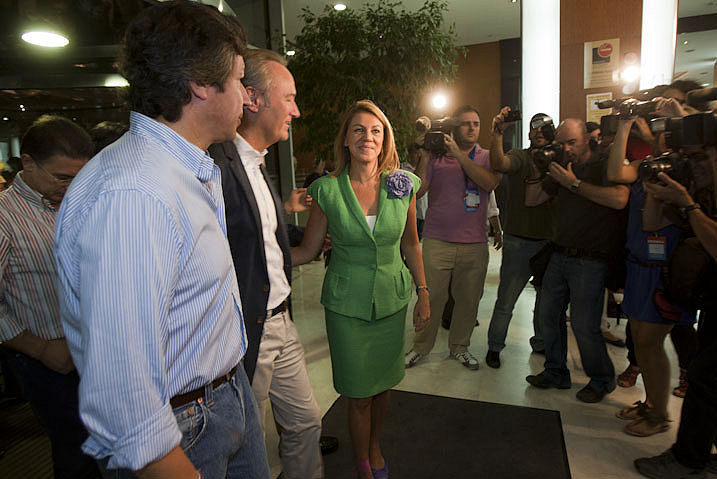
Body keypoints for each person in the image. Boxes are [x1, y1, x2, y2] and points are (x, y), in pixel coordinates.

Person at [53, 2, 270, 477]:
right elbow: (120, 383)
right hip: (184, 430)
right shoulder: (135, 193)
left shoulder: (184, 170)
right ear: (199, 84)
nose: (247, 98)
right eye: (237, 80)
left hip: (223, 398)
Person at [291, 100, 430, 479]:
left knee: (383, 386)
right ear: (346, 141)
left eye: (375, 131)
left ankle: (374, 445)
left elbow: (411, 244)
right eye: (358, 130)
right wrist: (261, 258)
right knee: (357, 392)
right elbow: (307, 249)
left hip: (391, 299)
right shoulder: (326, 190)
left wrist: (423, 291)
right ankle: (363, 463)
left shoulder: (403, 186)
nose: (367, 137)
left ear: (384, 140)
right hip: (346, 306)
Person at [208, 48, 323, 479]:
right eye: (289, 97)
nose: (296, 109)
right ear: (253, 98)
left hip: (283, 321)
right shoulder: (216, 165)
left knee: (307, 423)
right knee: (247, 442)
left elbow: (260, 241)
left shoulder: (258, 163)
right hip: (248, 328)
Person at [0, 115, 98, 479]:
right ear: (27, 162)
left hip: (93, 351)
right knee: (76, 454)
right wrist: (40, 349)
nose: (71, 186)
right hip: (49, 360)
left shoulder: (78, 205)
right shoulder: (5, 217)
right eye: (62, 177)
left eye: (78, 177)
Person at [607, 100, 697, 437]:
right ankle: (651, 404)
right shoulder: (648, 166)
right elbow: (616, 172)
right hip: (638, 265)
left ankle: (660, 415)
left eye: (668, 126)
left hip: (665, 270)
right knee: (641, 342)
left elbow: (652, 222)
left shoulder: (686, 171)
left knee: (650, 342)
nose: (662, 131)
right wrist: (626, 124)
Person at [525, 118, 628, 403]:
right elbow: (533, 199)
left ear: (587, 139)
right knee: (547, 316)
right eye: (562, 143)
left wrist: (573, 184)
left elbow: (619, 199)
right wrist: (539, 169)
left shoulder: (604, 165)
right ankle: (556, 370)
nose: (566, 149)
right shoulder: (558, 167)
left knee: (584, 325)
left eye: (572, 142)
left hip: (590, 260)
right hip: (559, 253)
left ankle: (601, 379)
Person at [634, 148, 717, 478]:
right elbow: (650, 222)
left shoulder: (694, 201)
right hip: (709, 296)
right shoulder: (699, 194)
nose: (695, 167)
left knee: (704, 380)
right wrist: (655, 191)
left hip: (689, 290)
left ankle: (687, 460)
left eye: (704, 159)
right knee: (707, 378)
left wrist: (688, 204)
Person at [405, 105, 500, 370]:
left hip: (475, 243)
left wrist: (458, 155)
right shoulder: (436, 157)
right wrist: (424, 155)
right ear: (455, 127)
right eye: (466, 123)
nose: (471, 128)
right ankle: (420, 347)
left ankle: (460, 347)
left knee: (469, 300)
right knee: (431, 297)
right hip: (438, 240)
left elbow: (489, 183)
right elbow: (420, 190)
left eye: (476, 123)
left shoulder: (487, 156)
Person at [484, 109, 555, 368]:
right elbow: (499, 164)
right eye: (534, 127)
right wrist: (497, 133)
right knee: (506, 300)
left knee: (545, 303)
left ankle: (542, 343)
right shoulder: (520, 157)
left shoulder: (558, 160)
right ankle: (494, 347)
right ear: (528, 132)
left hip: (549, 243)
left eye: (544, 128)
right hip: (518, 242)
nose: (538, 132)